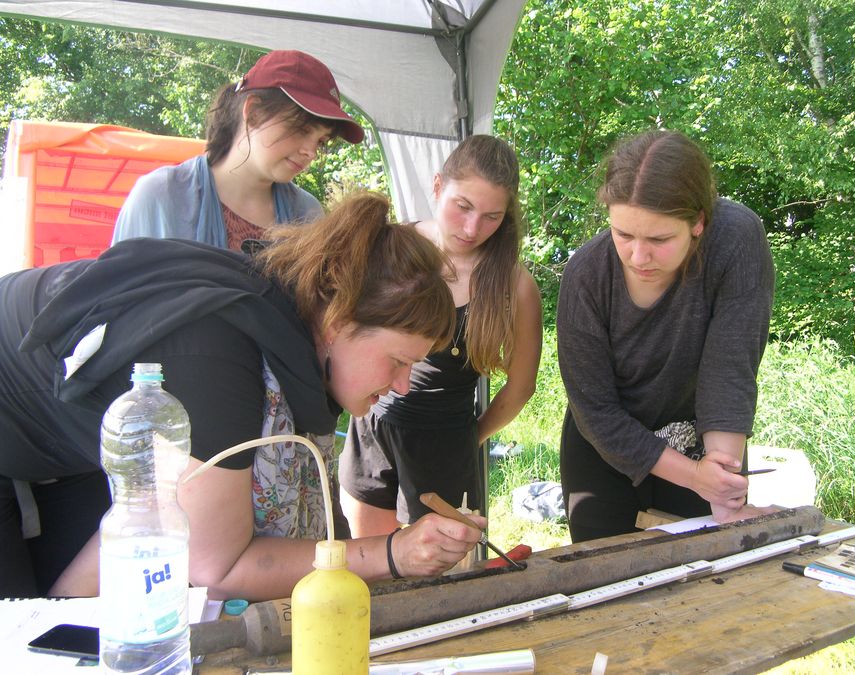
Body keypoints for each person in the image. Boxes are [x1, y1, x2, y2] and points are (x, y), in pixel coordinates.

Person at [0, 192, 486, 600]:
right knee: (22, 628)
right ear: (339, 322)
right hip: (16, 428)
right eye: (398, 361)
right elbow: (218, 566)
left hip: (65, 453)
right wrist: (393, 555)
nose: (402, 386)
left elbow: (151, 514)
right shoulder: (218, 352)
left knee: (83, 619)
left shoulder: (291, 340)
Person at [557, 129, 776, 543]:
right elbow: (596, 412)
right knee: (606, 580)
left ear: (698, 221)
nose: (639, 257)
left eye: (659, 239)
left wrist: (721, 489)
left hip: (700, 435)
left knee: (701, 576)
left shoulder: (736, 240)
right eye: (623, 235)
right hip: (605, 444)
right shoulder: (585, 276)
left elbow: (729, 371)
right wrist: (693, 476)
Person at [339, 135, 543, 535]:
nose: (471, 228)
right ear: (437, 187)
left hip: (445, 444)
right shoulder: (392, 248)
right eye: (462, 206)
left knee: (439, 579)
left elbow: (521, 388)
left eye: (491, 216)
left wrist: (470, 438)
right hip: (372, 429)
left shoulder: (515, 286)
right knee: (368, 563)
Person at [111, 49, 364, 251]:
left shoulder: (308, 215)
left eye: (322, 141)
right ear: (253, 112)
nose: (311, 151)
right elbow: (118, 303)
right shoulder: (163, 196)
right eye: (302, 129)